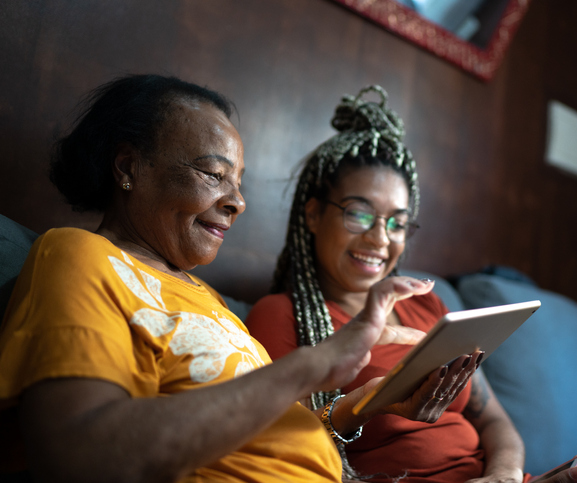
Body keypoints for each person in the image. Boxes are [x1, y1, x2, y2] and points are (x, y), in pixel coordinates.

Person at [244, 85, 577, 483]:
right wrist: (375, 400)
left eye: (396, 222)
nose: (379, 237)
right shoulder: (279, 314)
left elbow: (494, 419)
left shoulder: (425, 303)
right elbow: (291, 445)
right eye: (359, 212)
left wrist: (507, 475)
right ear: (312, 213)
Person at [0, 74, 440, 483]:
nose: (238, 202)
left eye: (238, 182)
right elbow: (75, 453)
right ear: (128, 167)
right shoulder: (78, 255)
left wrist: (362, 405)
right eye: (214, 175)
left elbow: (262, 423)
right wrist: (313, 363)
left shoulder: (209, 299)